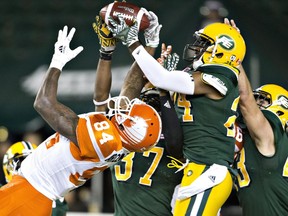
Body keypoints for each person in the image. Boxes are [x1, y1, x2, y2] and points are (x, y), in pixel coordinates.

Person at [0, 25, 162, 215]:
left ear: (128, 127)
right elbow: (129, 87)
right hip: (36, 196)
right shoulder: (118, 141)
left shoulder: (103, 138)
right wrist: (148, 46)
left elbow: (43, 103)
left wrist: (57, 62)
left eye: (129, 113)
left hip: (27, 194)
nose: (125, 107)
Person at [108, 12, 246, 215]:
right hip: (195, 170)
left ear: (221, 51)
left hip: (209, 170)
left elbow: (161, 78)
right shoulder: (197, 76)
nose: (197, 47)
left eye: (204, 43)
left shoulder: (222, 77)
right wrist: (163, 83)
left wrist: (133, 43)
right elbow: (160, 86)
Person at [92, 14, 184, 215]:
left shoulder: (120, 133)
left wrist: (107, 52)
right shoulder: (177, 133)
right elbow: (129, 90)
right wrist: (164, 84)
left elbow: (111, 96)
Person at [234, 65, 288, 215]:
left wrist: (233, 59)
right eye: (255, 98)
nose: (256, 104)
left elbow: (245, 100)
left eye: (262, 101)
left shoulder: (271, 136)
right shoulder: (246, 137)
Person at [2, 141, 68, 216]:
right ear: (8, 167)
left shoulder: (54, 197)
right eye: (22, 163)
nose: (28, 168)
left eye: (32, 163)